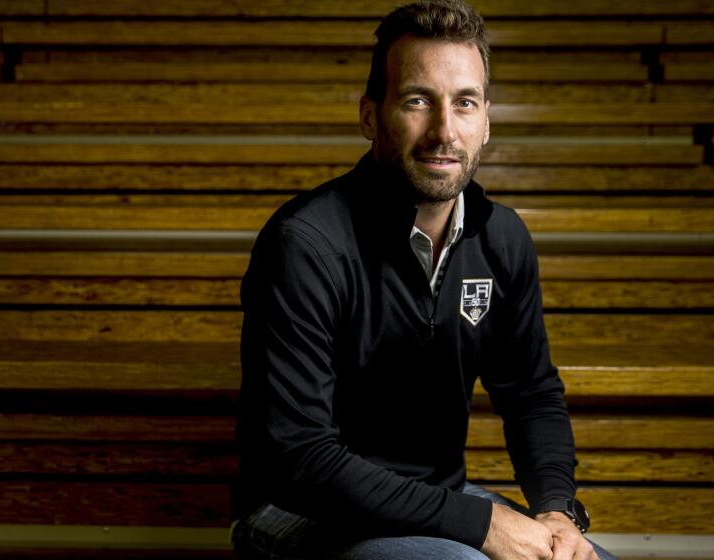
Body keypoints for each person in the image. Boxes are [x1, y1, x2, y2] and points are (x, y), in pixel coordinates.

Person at [232, 1, 617, 558]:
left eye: (464, 103)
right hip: (294, 514)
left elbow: (532, 395)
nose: (444, 130)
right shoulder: (307, 243)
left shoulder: (502, 239)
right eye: (418, 100)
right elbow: (302, 457)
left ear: (486, 121)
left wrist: (556, 509)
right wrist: (482, 523)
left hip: (436, 501)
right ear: (370, 116)